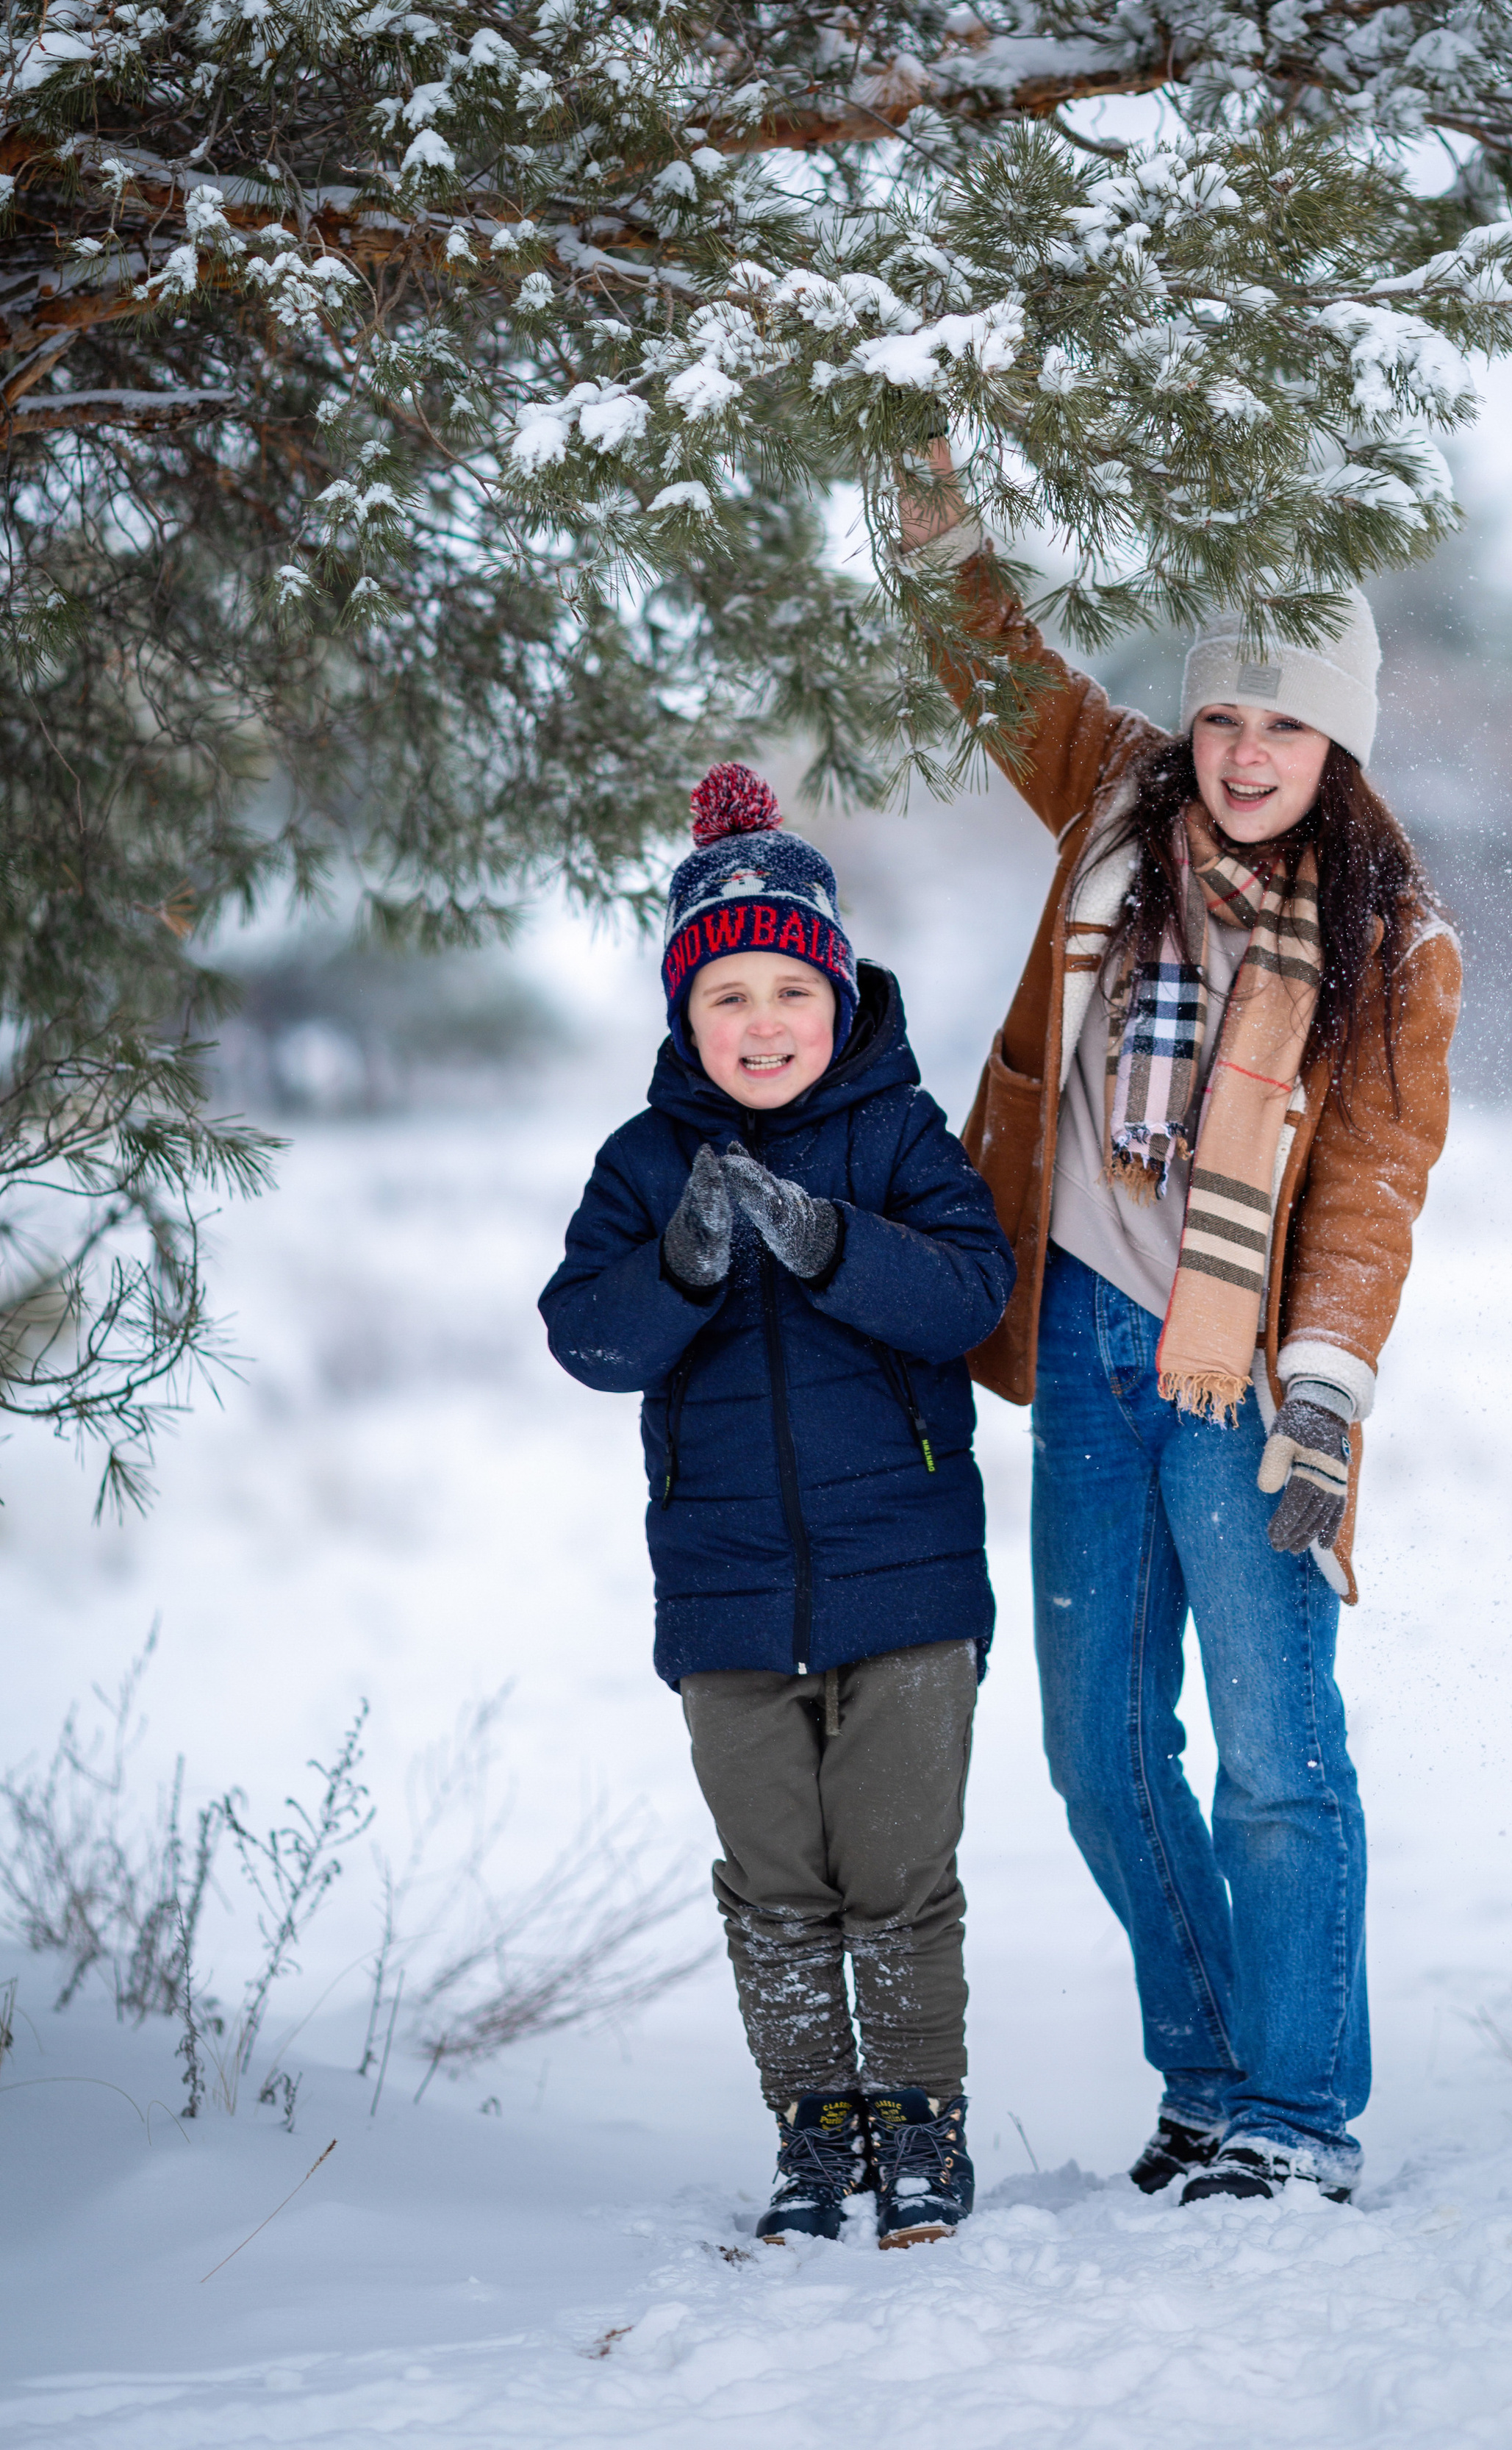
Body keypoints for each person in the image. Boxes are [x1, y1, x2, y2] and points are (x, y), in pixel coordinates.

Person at [902, 452, 1460, 2208]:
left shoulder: (1391, 942)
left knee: (1276, 1758)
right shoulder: (1115, 804)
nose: (1240, 755)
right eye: (1222, 713)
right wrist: (929, 527)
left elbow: (1370, 1181)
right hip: (1078, 1343)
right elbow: (999, 669)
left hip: (1243, 1384)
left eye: (1280, 730)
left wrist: (1323, 1388)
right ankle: (1210, 2069)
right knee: (1095, 1746)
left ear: (1338, 747)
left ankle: (1293, 2115)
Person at [540, 763, 1014, 2249]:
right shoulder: (643, 1164)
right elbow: (587, 1340)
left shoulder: (897, 1139)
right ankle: (814, 2127)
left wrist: (825, 1244)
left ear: (838, 1000)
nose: (760, 1026)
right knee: (775, 1880)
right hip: (729, 1592)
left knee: (893, 1871)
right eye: (725, 999)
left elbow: (966, 1300)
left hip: (907, 1577)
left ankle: (919, 2124)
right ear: (685, 1018)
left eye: (786, 996)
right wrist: (680, 1263)